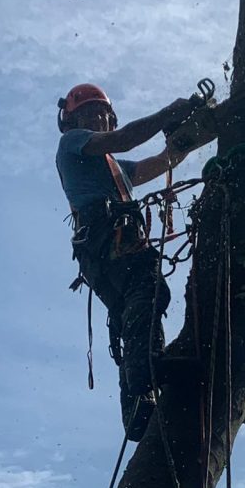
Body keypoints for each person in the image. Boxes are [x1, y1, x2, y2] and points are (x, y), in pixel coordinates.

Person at [56, 83, 197, 440]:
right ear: (71, 121)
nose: (97, 118)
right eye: (87, 113)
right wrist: (169, 113)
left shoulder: (115, 169)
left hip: (108, 249)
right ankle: (145, 374)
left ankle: (138, 405)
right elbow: (125, 139)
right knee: (148, 292)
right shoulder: (72, 144)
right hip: (107, 240)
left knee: (131, 317)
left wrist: (191, 136)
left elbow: (161, 163)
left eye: (101, 112)